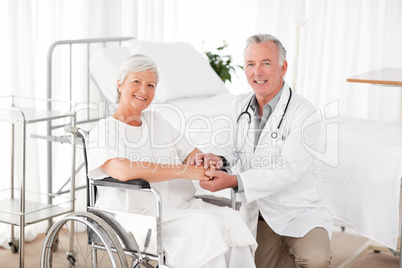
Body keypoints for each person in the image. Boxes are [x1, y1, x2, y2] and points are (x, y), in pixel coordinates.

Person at [86, 54, 257, 268]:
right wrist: (184, 171)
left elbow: (190, 152)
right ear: (120, 84)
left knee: (232, 220)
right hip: (139, 217)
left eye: (151, 85)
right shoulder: (105, 130)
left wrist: (205, 161)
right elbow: (122, 170)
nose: (144, 90)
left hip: (179, 206)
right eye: (136, 82)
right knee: (208, 226)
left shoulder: (157, 120)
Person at [194, 34, 333, 268]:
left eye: (265, 63)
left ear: (283, 67)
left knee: (316, 259)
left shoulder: (304, 113)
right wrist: (215, 158)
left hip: (298, 209)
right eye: (250, 64)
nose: (257, 72)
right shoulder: (238, 106)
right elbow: (227, 144)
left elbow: (289, 170)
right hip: (259, 212)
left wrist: (233, 180)